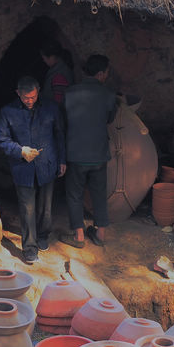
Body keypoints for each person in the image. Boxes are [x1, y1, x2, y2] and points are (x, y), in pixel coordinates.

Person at [0, 76, 66, 265]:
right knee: (27, 208)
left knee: (46, 207)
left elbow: (59, 134)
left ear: (38, 91)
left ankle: (43, 235)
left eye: (33, 97)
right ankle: (30, 248)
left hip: (47, 165)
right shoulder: (7, 111)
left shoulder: (50, 108)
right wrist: (20, 151)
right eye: (26, 98)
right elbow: (1, 139)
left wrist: (62, 160)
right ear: (18, 93)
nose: (30, 101)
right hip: (22, 168)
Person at [61, 54, 118, 248]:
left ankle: (78, 236)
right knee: (99, 193)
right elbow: (109, 119)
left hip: (76, 153)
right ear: (101, 74)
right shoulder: (109, 95)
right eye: (107, 73)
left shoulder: (70, 93)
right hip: (99, 154)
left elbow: (65, 120)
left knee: (75, 194)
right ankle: (100, 234)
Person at [39, 38, 72, 107]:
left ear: (51, 57)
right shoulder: (57, 70)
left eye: (44, 58)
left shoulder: (59, 75)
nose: (44, 61)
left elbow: (59, 103)